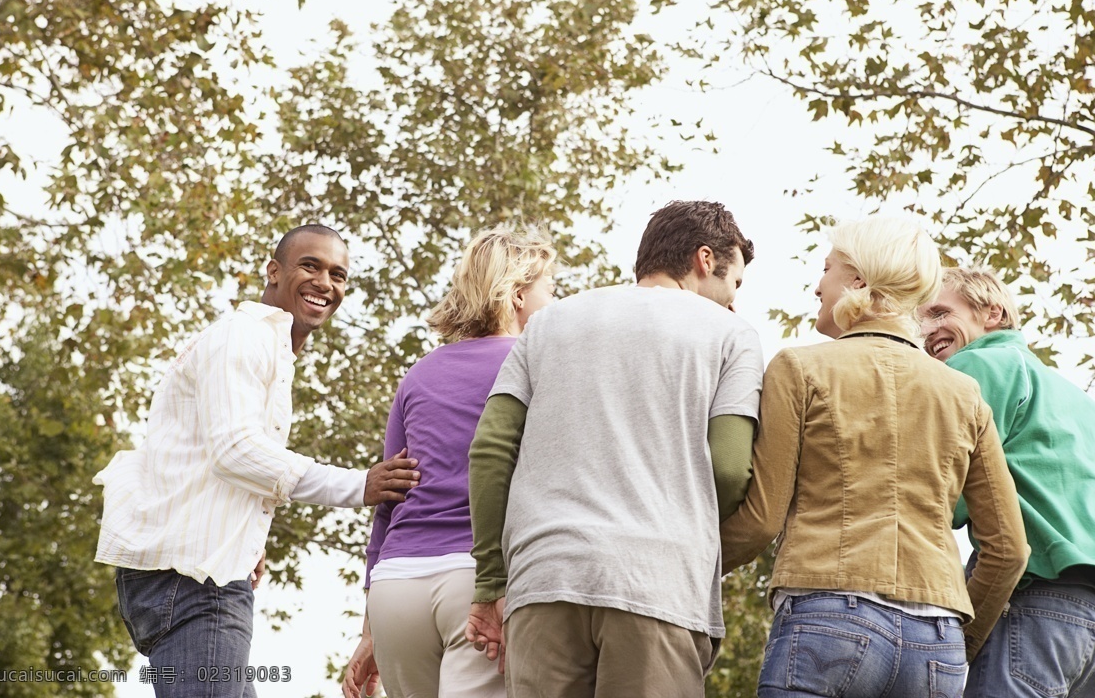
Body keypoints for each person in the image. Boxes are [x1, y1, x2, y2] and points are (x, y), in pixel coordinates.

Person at [94, 224, 421, 698]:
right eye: (310, 265)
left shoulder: (265, 346)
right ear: (273, 271)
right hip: (196, 584)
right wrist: (359, 486)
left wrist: (245, 535)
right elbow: (235, 450)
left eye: (339, 274)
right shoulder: (244, 336)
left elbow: (193, 455)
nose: (326, 283)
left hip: (200, 577)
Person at [719, 217, 1029, 698]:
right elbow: (1009, 548)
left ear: (858, 282)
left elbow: (761, 520)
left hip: (826, 614)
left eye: (826, 269)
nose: (818, 285)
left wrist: (690, 564)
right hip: (937, 637)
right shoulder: (964, 394)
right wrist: (956, 642)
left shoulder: (799, 368)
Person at [465, 200, 764, 698]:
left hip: (545, 578)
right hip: (658, 587)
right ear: (705, 260)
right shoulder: (732, 335)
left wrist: (492, 582)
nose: (734, 301)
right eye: (734, 284)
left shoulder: (549, 322)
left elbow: (491, 449)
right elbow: (731, 470)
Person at [340, 225, 557, 698]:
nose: (554, 303)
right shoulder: (537, 362)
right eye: (549, 290)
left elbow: (388, 499)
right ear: (518, 295)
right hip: (478, 581)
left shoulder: (419, 374)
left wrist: (369, 628)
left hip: (395, 585)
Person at [920, 267, 1095, 697]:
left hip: (1036, 603)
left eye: (941, 312)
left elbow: (945, 495)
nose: (928, 330)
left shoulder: (976, 364)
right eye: (921, 320)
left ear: (993, 313)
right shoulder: (1071, 394)